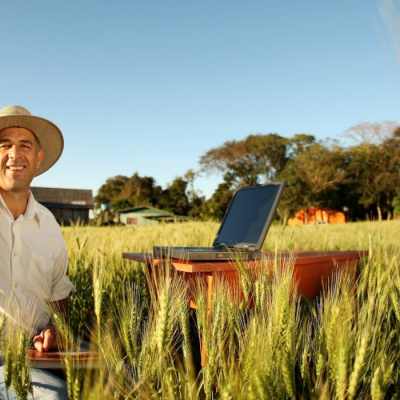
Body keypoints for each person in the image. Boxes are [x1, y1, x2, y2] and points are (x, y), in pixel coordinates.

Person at [0, 105, 75, 399]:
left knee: (128, 377)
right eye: (4, 145)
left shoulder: (49, 226)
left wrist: (55, 330)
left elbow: (59, 301)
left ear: (38, 158)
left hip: (38, 358)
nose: (14, 155)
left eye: (25, 146)